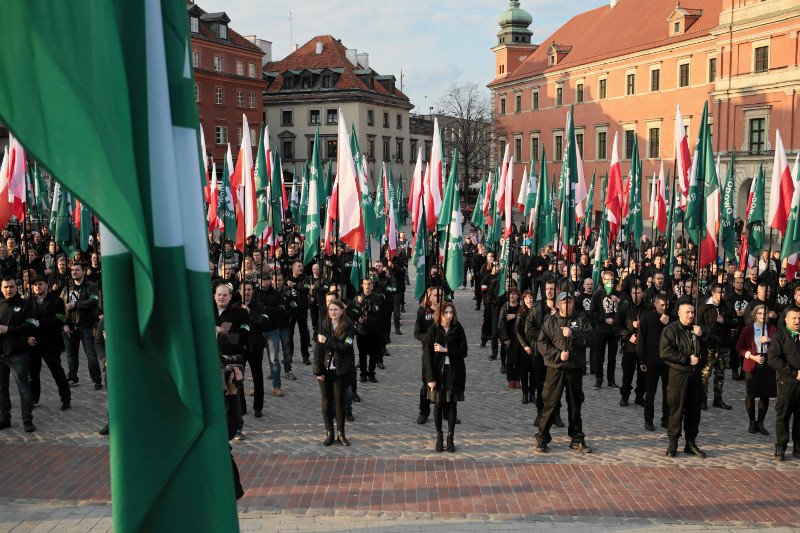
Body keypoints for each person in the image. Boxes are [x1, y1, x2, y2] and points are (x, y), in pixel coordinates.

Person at [534, 292, 593, 454]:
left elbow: (590, 338)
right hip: (556, 368)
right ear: (558, 305)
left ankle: (577, 438)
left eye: (570, 302)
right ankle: (543, 437)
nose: (568, 306)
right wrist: (558, 355)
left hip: (574, 368)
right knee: (551, 404)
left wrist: (573, 335)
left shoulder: (580, 320)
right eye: (564, 303)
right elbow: (541, 343)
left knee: (575, 405)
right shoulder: (550, 321)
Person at [660, 302, 708, 458]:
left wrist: (702, 335)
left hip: (695, 376)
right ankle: (673, 442)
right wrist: (686, 359)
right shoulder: (671, 329)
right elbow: (665, 352)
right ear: (679, 313)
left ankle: (691, 442)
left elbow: (714, 342)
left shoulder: (697, 329)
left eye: (692, 312)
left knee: (694, 410)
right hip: (678, 374)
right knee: (676, 408)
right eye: (687, 312)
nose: (691, 315)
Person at [423, 302, 467, 453]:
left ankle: (450, 437)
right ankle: (439, 436)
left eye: (451, 313)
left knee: (452, 404)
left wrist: (445, 349)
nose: (449, 316)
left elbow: (464, 351)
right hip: (438, 372)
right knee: (438, 404)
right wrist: (430, 378)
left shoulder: (458, 328)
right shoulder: (433, 330)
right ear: (440, 314)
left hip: (454, 371)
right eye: (446, 313)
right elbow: (427, 356)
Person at [313, 299, 357, 446]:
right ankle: (329, 432)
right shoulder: (323, 325)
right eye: (331, 310)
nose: (333, 312)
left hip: (340, 369)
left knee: (339, 402)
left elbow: (346, 347)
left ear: (342, 311)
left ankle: (341, 433)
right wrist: (317, 370)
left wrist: (328, 341)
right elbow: (318, 350)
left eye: (336, 310)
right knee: (326, 401)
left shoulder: (349, 326)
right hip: (325, 369)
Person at [28, 275, 71, 411]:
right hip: (34, 343)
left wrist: (40, 323)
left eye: (40, 284)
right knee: (33, 373)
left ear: (46, 285)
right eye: (35, 285)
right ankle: (34, 398)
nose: (37, 287)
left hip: (51, 342)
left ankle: (66, 398)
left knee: (56, 371)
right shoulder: (28, 302)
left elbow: (60, 319)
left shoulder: (56, 301)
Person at [0, 277, 36, 432]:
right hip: (1, 355)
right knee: (1, 389)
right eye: (6, 287)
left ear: (17, 287)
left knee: (23, 388)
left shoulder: (25, 304)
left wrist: (10, 329)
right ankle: (4, 418)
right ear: (2, 289)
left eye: (12, 287)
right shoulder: (0, 305)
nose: (9, 290)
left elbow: (31, 324)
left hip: (18, 354)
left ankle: (27, 419)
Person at [736, 305, 776, 436]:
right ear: (755, 315)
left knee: (765, 394)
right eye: (759, 313)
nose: (762, 316)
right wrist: (752, 357)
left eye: (764, 313)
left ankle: (761, 422)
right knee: (751, 394)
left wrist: (769, 340)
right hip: (752, 363)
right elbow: (739, 347)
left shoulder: (772, 329)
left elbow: (779, 344)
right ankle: (752, 422)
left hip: (767, 364)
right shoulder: (748, 329)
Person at [61, 260, 101, 388]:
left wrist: (76, 304)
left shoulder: (91, 286)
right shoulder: (67, 287)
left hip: (86, 325)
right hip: (70, 326)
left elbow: (94, 301)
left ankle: (96, 379)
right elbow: (60, 306)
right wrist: (64, 324)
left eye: (77, 270)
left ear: (83, 272)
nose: (74, 272)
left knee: (91, 355)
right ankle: (72, 377)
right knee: (71, 354)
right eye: (72, 270)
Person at [767, 307, 800, 461]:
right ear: (786, 319)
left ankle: (798, 446)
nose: (797, 321)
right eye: (794, 318)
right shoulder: (779, 336)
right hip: (787, 382)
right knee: (784, 415)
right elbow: (773, 359)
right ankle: (781, 447)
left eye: (799, 318)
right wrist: (794, 372)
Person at [697, 282, 735, 410]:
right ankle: (702, 399)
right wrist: (709, 331)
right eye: (719, 292)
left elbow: (735, 322)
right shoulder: (704, 307)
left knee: (720, 373)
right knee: (705, 373)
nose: (721, 295)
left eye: (723, 292)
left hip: (723, 345)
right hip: (709, 345)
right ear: (713, 293)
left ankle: (718, 398)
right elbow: (698, 325)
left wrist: (725, 321)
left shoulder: (727, 305)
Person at [637, 294, 671, 431]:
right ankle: (648, 420)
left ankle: (666, 419)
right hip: (651, 360)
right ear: (655, 304)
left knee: (667, 392)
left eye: (666, 305)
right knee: (650, 392)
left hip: (668, 361)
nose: (664, 308)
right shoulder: (647, 318)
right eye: (661, 305)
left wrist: (666, 323)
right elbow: (642, 340)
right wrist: (641, 359)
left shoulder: (671, 317)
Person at [615, 284, 648, 407]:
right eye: (633, 293)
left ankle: (640, 396)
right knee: (627, 374)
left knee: (643, 375)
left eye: (638, 293)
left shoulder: (648, 308)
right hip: (629, 347)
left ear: (642, 293)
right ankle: (625, 396)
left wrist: (642, 325)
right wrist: (628, 336)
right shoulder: (624, 307)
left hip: (644, 348)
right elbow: (617, 326)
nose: (636, 296)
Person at [590, 270, 621, 389]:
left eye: (612, 280)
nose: (610, 282)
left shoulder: (617, 293)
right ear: (603, 280)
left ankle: (611, 379)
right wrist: (604, 319)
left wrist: (618, 301)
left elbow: (624, 309)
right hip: (601, 330)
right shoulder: (598, 294)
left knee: (612, 357)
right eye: (607, 280)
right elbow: (592, 312)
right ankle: (599, 379)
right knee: (599, 356)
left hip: (613, 331)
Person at [414, 287, 440, 425]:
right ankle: (424, 411)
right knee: (427, 383)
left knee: (446, 383)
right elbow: (417, 333)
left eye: (440, 295)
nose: (438, 297)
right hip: (428, 353)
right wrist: (428, 340)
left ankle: (446, 411)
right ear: (429, 297)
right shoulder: (423, 312)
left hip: (444, 353)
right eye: (436, 295)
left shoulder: (446, 312)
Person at [514, 290, 536, 405]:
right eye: (527, 298)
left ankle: (532, 393)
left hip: (535, 346)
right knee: (524, 372)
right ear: (524, 300)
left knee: (534, 372)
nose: (529, 300)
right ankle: (525, 393)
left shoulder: (537, 311)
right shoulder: (520, 313)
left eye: (531, 297)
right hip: (524, 347)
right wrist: (525, 346)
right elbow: (517, 330)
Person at [499, 287, 521, 388]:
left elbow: (523, 318)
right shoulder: (505, 307)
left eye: (514, 293)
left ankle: (517, 378)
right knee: (510, 359)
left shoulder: (520, 307)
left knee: (518, 358)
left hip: (518, 335)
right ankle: (510, 378)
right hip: (508, 335)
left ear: (518, 296)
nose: (512, 295)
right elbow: (501, 323)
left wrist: (515, 316)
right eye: (510, 294)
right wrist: (505, 338)